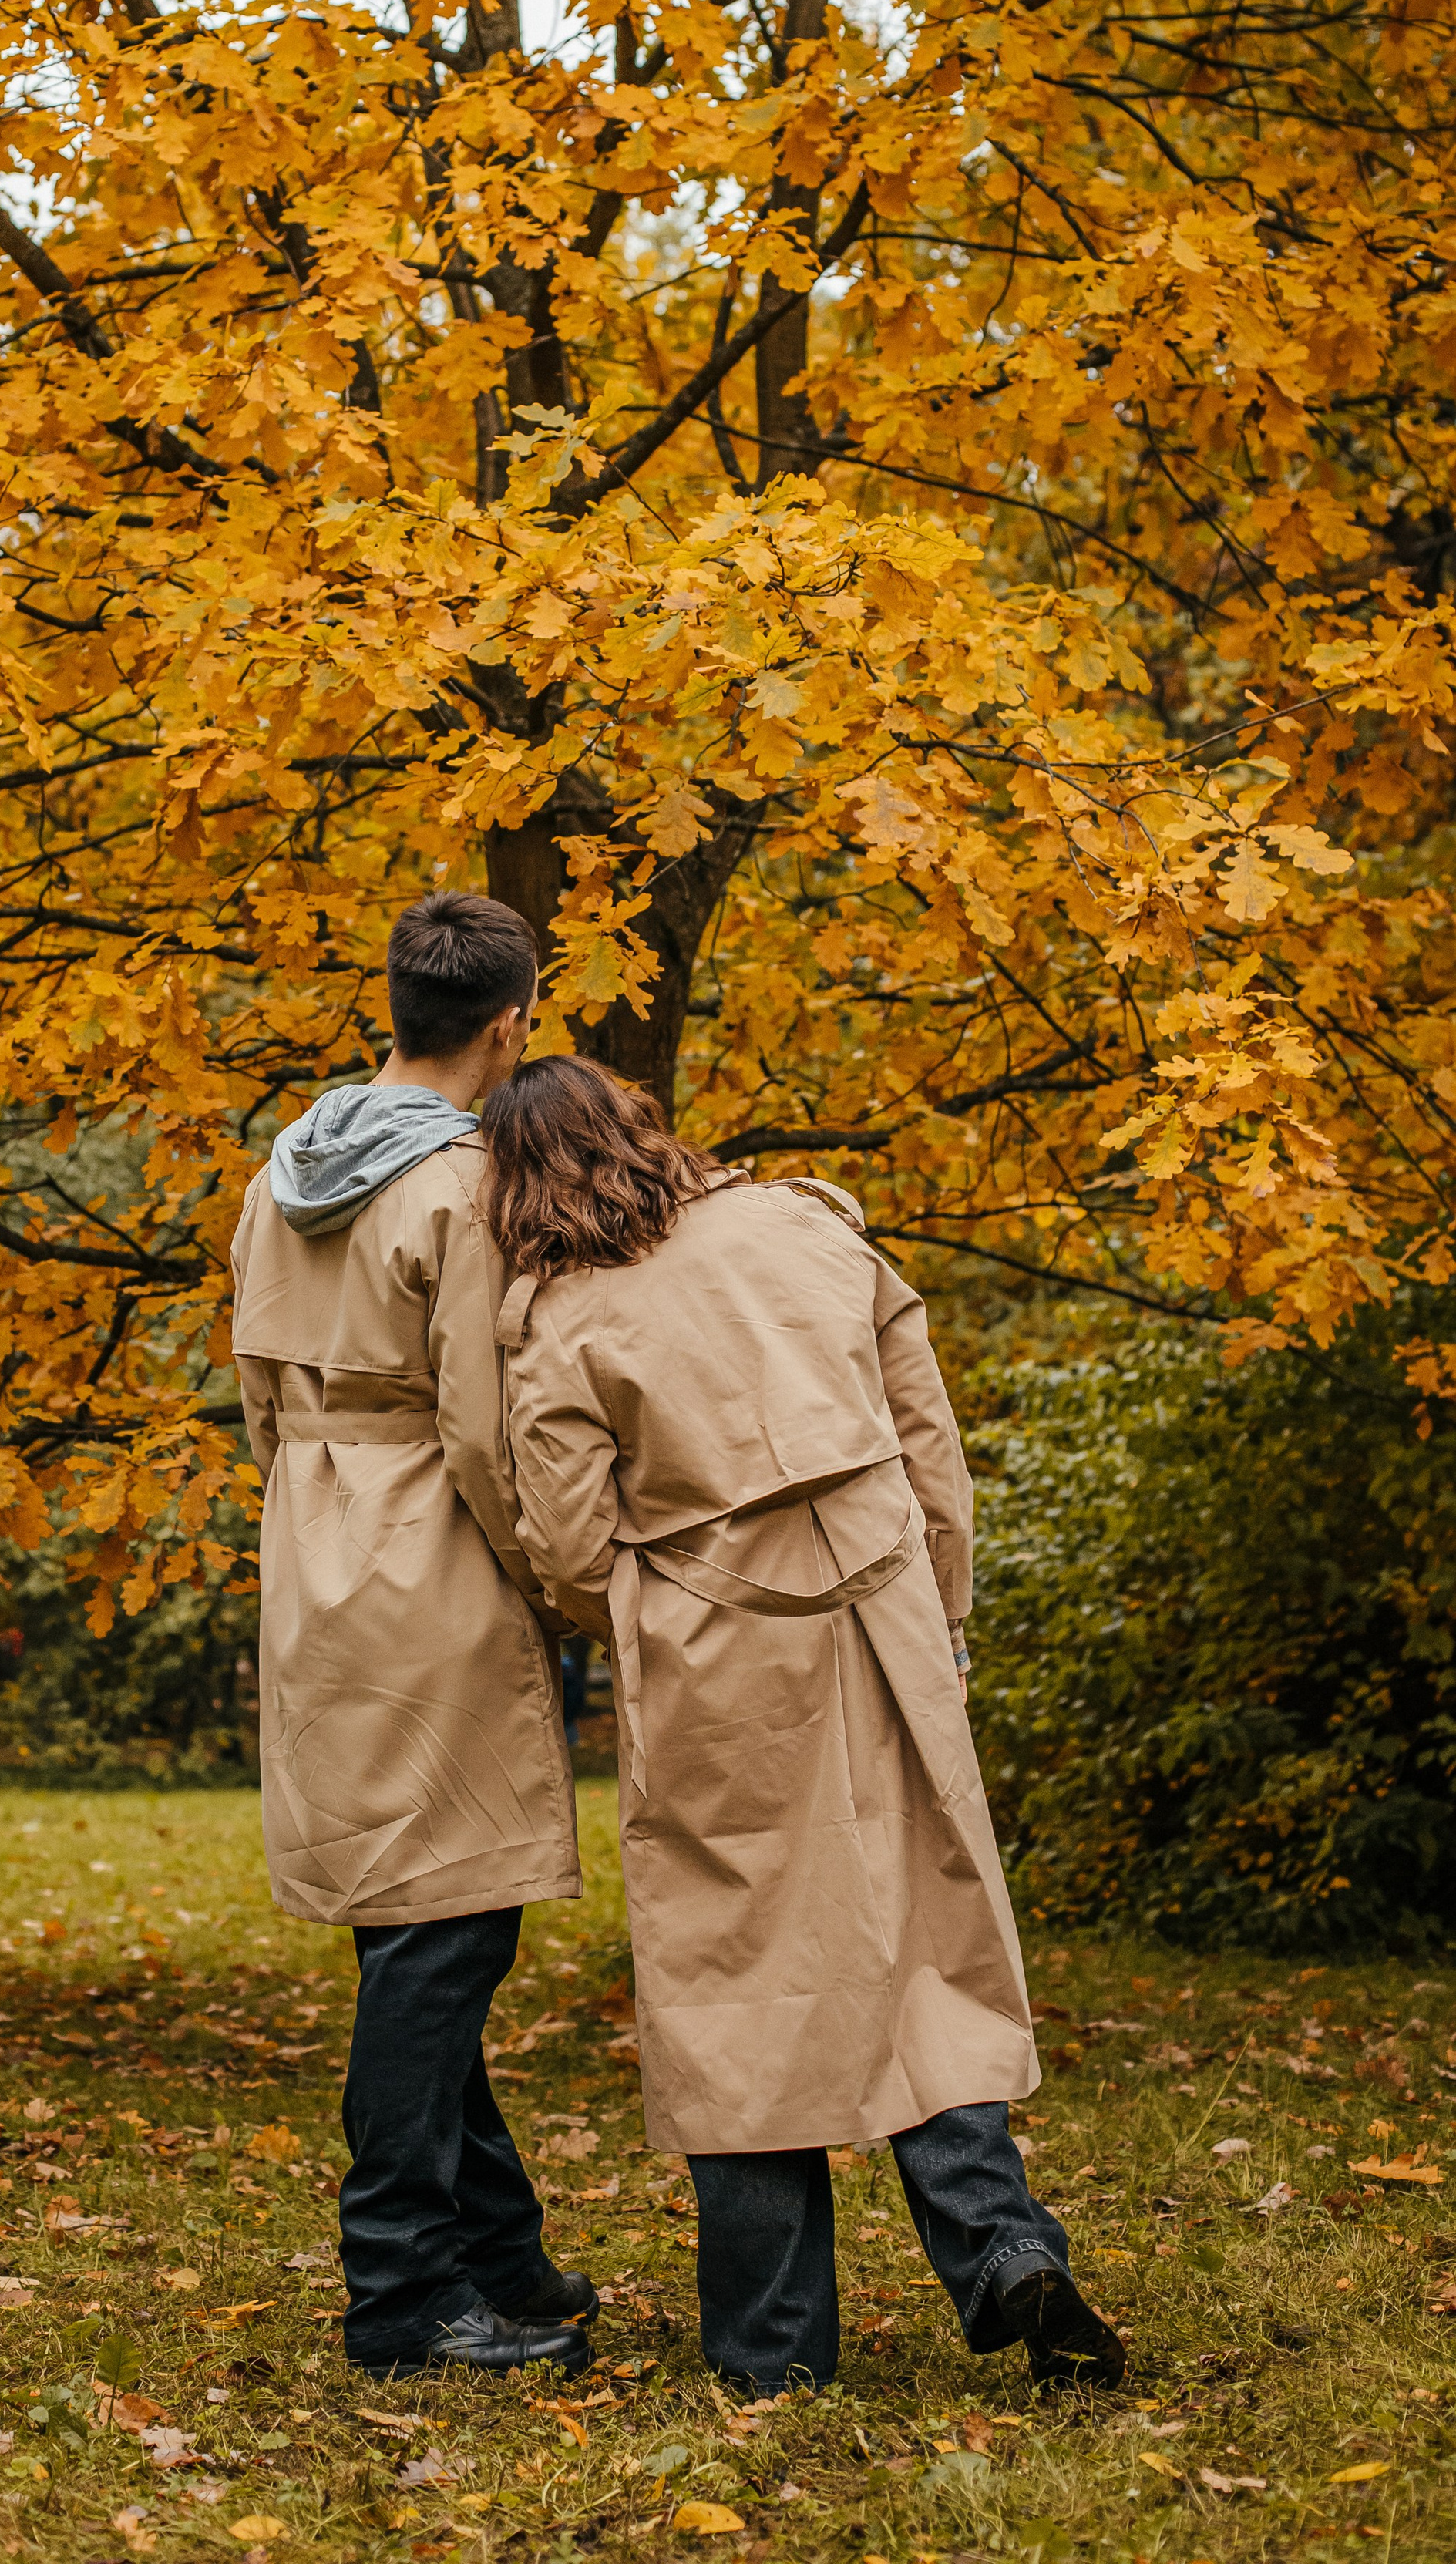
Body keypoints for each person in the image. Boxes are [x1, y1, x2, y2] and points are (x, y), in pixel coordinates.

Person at [480, 1055, 1125, 2398]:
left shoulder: (555, 1318)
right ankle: (1003, 2245)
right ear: (643, 1130)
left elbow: (566, 1536)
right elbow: (923, 1430)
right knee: (922, 1935)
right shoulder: (806, 1222)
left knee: (741, 1979)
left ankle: (774, 2349)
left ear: (518, 1185)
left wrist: (649, 1628)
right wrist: (937, 1602)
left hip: (718, 1647)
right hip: (884, 1609)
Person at [230, 894, 595, 2381]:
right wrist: (557, 1582)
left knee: (412, 1926)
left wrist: (308, 1500)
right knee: (450, 1933)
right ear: (510, 1024)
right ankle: (399, 2291)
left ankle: (495, 2250)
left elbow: (257, 1380)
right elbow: (486, 1427)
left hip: (312, 1535)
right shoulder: (460, 1184)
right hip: (429, 1544)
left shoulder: (284, 1166)